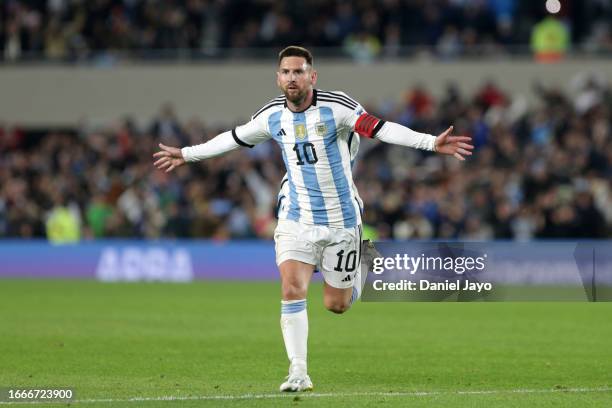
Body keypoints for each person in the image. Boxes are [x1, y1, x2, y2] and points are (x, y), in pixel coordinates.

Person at [153, 46, 473, 392]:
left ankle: (362, 262)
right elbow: (233, 139)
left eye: (299, 71)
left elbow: (380, 129)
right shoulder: (271, 117)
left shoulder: (338, 108)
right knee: (291, 287)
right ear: (278, 78)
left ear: (312, 76)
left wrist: (429, 143)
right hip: (296, 217)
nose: (292, 77)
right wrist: (187, 154)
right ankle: (298, 371)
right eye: (286, 72)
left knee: (337, 305)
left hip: (341, 220)